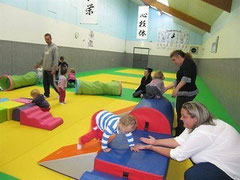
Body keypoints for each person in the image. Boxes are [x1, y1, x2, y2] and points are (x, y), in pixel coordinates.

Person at [137, 101, 240, 180]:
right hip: (222, 157)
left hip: (230, 170)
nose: (181, 119)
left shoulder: (203, 133)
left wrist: (151, 147)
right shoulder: (199, 122)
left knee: (192, 175)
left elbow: (177, 155)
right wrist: (156, 142)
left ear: (195, 118)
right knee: (192, 156)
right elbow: (179, 141)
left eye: (184, 116)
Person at [164, 50, 198, 136]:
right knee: (180, 112)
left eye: (174, 60)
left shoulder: (188, 63)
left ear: (179, 57)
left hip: (187, 93)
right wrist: (167, 87)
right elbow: (178, 80)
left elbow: (186, 78)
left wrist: (176, 89)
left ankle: (181, 133)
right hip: (183, 93)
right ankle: (180, 128)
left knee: (183, 113)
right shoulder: (183, 65)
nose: (173, 62)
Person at [35, 33, 59, 98]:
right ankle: (46, 94)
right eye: (45, 39)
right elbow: (43, 58)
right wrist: (38, 64)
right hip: (45, 68)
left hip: (51, 69)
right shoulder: (45, 47)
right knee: (45, 82)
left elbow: (56, 59)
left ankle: (60, 94)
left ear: (51, 38)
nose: (47, 41)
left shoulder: (54, 47)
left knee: (52, 83)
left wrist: (54, 69)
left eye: (48, 39)